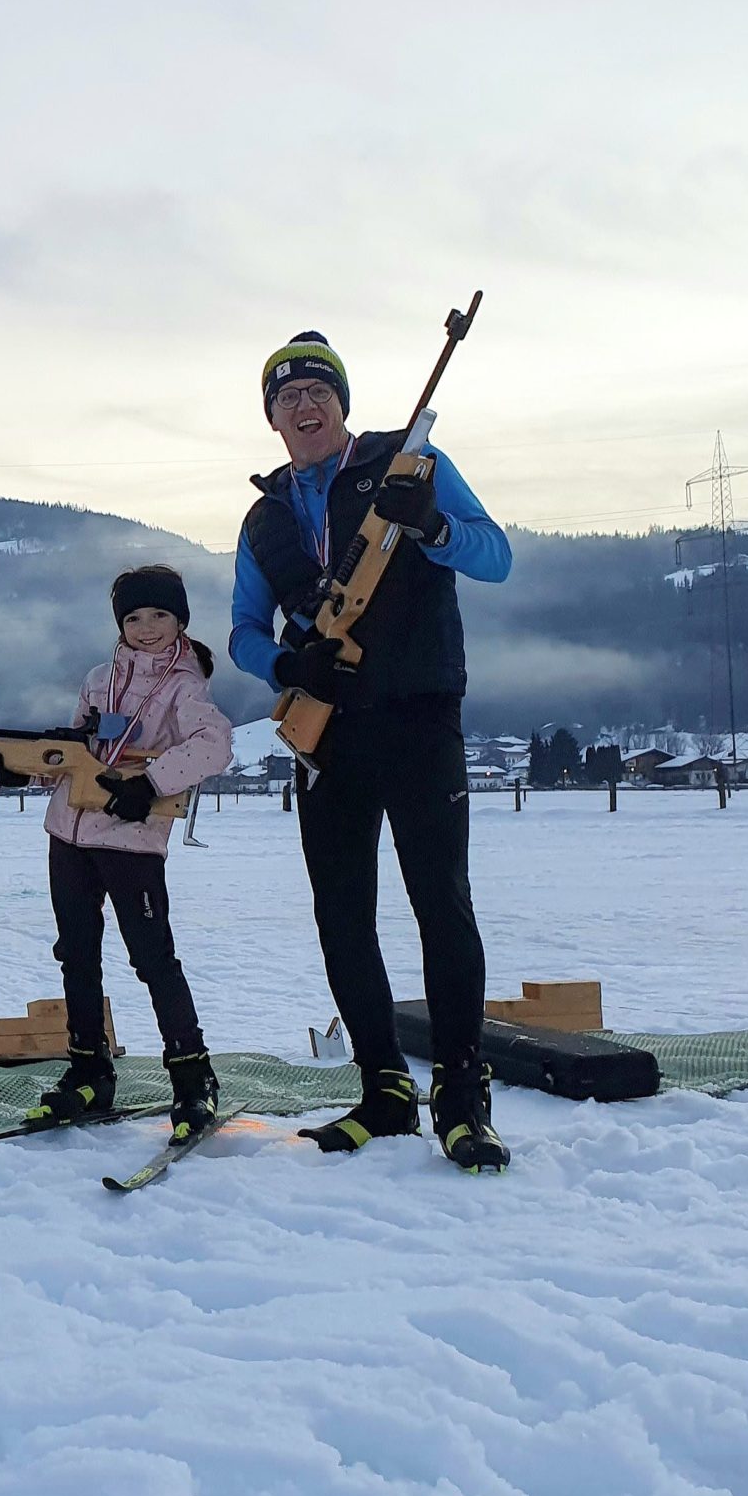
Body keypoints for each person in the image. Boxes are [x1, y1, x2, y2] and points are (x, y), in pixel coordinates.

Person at [230, 329, 515, 1172]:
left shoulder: (412, 464)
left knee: (442, 904)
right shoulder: (265, 516)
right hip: (328, 733)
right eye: (286, 397)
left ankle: (462, 1099)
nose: (304, 405)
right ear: (272, 421)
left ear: (342, 403)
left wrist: (429, 526)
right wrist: (287, 662)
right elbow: (244, 631)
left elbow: (495, 555)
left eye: (318, 390)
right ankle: (383, 1089)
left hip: (421, 715)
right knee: (342, 915)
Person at [0, 564, 238, 1142]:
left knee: (152, 959)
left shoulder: (185, 686)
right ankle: (89, 1070)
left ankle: (194, 1078)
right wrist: (14, 771)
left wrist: (152, 783)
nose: (146, 628)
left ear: (181, 621)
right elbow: (71, 755)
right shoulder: (100, 679)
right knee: (76, 953)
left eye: (160, 616)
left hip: (132, 843)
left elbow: (215, 744)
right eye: (134, 617)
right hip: (67, 835)